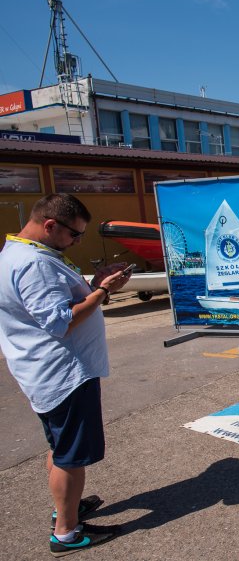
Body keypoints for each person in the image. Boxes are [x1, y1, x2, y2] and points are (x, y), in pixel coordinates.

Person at [0, 194, 132, 556]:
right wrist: (103, 291)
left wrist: (94, 284)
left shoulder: (21, 254)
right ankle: (67, 532)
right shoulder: (35, 264)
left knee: (60, 447)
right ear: (50, 226)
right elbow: (60, 321)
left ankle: (65, 508)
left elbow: (57, 303)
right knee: (71, 456)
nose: (76, 242)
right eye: (74, 236)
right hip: (64, 374)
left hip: (48, 372)